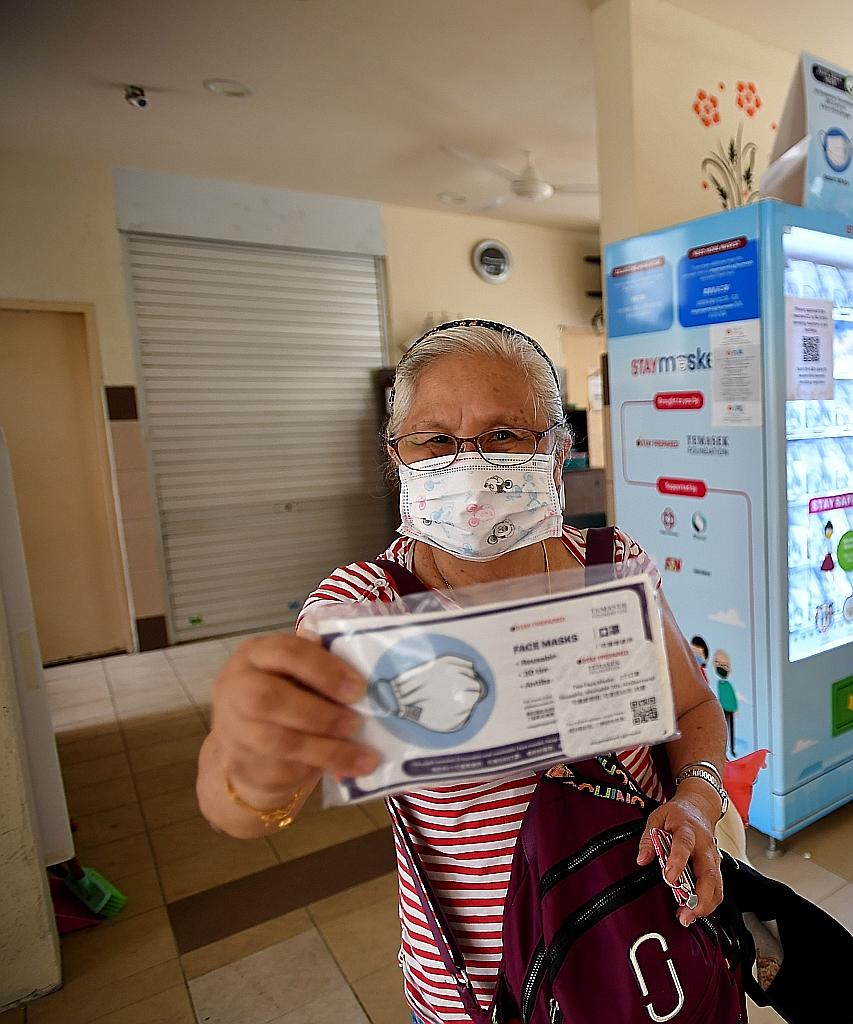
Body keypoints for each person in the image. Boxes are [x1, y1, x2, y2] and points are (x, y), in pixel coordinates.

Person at [195, 320, 731, 1024]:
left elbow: (694, 708)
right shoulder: (364, 610)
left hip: (645, 946)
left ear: (557, 451)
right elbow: (240, 811)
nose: (468, 464)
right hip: (476, 996)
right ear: (398, 457)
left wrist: (697, 799)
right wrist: (251, 757)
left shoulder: (612, 565)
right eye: (435, 440)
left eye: (504, 434)